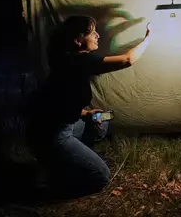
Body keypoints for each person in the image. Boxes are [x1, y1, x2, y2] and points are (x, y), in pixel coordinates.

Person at [26, 15, 153, 197]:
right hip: (52, 136)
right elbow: (127, 60)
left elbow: (61, 102)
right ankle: (55, 177)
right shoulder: (78, 61)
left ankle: (67, 158)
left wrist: (87, 113)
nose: (97, 36)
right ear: (78, 40)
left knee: (103, 118)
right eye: (92, 32)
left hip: (61, 126)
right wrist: (149, 38)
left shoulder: (69, 59)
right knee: (101, 176)